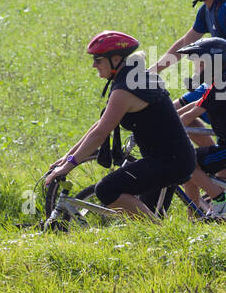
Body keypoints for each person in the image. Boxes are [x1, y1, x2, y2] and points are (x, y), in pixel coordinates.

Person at [45, 31, 195, 219]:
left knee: (107, 190)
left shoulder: (126, 89)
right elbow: (100, 125)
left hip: (169, 161)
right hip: (172, 158)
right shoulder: (132, 78)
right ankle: (159, 237)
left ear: (115, 59)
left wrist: (68, 166)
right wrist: (67, 158)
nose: (94, 65)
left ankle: (160, 234)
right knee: (147, 217)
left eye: (98, 60)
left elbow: (100, 133)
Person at [175, 37, 226, 218]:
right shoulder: (218, 85)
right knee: (189, 171)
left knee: (187, 163)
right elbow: (193, 105)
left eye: (200, 64)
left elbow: (190, 115)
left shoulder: (220, 87)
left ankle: (219, 199)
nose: (196, 69)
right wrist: (169, 118)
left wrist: (168, 130)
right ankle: (195, 216)